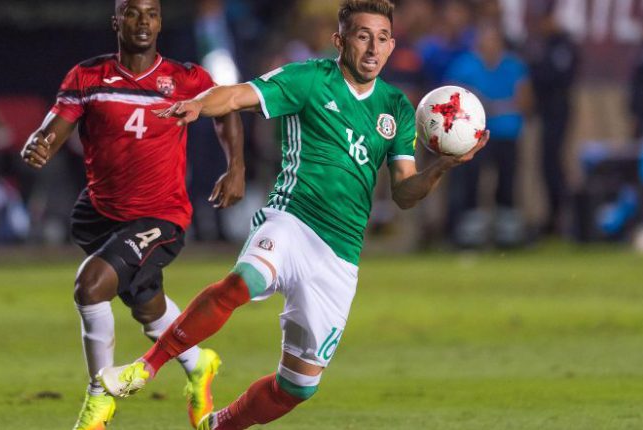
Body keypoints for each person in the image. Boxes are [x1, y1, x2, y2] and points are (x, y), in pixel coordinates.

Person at [97, 1, 488, 429]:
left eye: (381, 39)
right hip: (293, 219)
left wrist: (442, 167)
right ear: (340, 41)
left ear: (392, 45)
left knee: (296, 388)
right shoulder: (308, 79)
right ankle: (145, 368)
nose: (373, 48)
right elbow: (237, 94)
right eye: (362, 36)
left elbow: (405, 194)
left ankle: (216, 426)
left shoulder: (396, 108)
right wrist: (198, 104)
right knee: (243, 282)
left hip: (339, 256)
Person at [19, 0, 245, 428]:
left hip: (161, 217)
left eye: (151, 13)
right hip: (101, 213)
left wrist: (236, 167)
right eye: (132, 13)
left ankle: (98, 400)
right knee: (147, 307)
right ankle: (198, 363)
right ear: (116, 21)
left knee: (91, 286)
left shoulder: (185, 78)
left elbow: (226, 109)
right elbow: (55, 125)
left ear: (160, 22)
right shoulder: (88, 76)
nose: (143, 22)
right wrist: (40, 142)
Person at [444, 22, 533, 248]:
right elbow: (453, 98)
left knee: (507, 181)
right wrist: (498, 106)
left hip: (506, 132)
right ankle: (470, 234)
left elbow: (524, 101)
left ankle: (507, 233)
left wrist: (487, 106)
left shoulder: (514, 66)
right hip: (473, 136)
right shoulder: (464, 65)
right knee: (470, 180)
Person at [527, 8, 578, 236]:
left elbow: (559, 77)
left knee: (554, 163)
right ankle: (553, 214)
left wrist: (538, 72)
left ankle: (562, 216)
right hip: (546, 111)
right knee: (547, 164)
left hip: (558, 109)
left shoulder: (562, 45)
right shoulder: (543, 44)